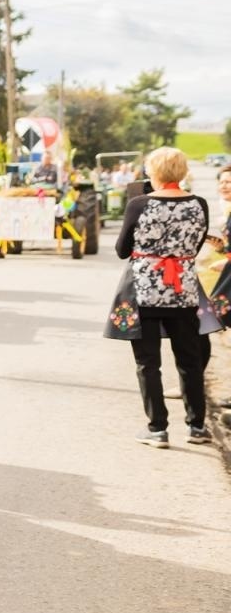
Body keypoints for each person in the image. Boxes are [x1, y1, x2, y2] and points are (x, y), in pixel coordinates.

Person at [114, 147, 211, 447]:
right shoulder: (199, 204)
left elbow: (121, 250)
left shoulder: (138, 204)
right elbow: (193, 250)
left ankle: (157, 428)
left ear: (152, 172)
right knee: (189, 360)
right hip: (183, 291)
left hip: (144, 290)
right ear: (182, 172)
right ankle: (196, 427)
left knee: (148, 363)